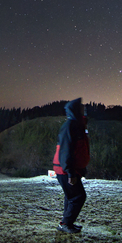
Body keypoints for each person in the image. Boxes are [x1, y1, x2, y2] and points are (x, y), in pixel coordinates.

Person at [52, 98, 90, 233]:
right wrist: (70, 172)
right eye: (80, 106)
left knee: (71, 197)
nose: (84, 107)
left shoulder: (77, 125)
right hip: (65, 169)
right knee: (78, 197)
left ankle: (66, 223)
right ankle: (66, 224)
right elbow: (66, 150)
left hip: (69, 169)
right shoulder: (70, 126)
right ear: (75, 109)